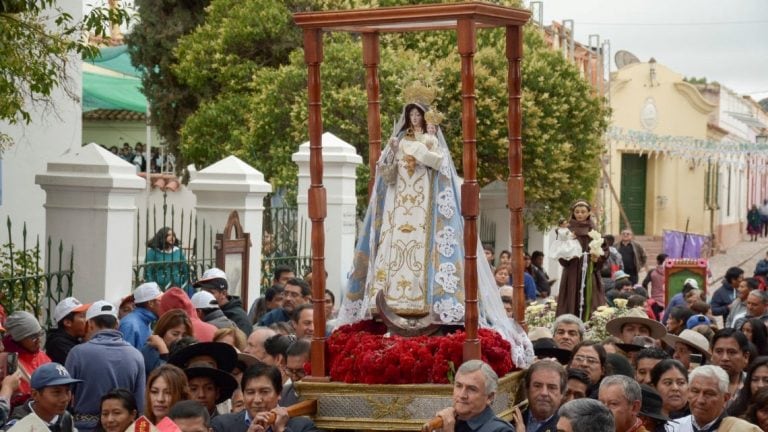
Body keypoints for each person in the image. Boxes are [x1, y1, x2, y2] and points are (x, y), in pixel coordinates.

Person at [336, 91, 532, 368]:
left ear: (425, 117)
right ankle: (390, 300)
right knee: (395, 254)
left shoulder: (430, 142)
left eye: (418, 115)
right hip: (398, 208)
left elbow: (440, 166)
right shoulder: (400, 141)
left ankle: (427, 302)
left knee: (422, 254)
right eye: (411, 115)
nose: (414, 119)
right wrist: (390, 154)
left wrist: (421, 150)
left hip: (424, 212)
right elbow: (388, 177)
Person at [67, 300, 146, 432]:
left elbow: (66, 395)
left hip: (84, 428)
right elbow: (139, 404)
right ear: (117, 324)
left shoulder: (78, 353)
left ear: (90, 324)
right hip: (122, 427)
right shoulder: (136, 355)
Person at [210, 363, 318, 432]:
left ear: (279, 393)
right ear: (243, 394)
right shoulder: (222, 426)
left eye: (264, 392)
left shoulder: (303, 427)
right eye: (250, 392)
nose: (257, 400)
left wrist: (281, 430)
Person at [555, 200, 608, 321]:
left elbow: (603, 248)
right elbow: (560, 248)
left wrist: (597, 257)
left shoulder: (594, 230)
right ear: (573, 213)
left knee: (590, 297)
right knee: (571, 295)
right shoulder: (567, 230)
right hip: (573, 269)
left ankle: (590, 326)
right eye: (577, 212)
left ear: (588, 213)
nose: (580, 214)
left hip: (589, 268)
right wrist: (567, 255)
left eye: (583, 212)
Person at [668, 365, 761, 432]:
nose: (700, 400)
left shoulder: (743, 430)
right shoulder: (672, 427)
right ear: (688, 393)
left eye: (709, 394)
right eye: (695, 391)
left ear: (725, 398)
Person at [432, 360, 515, 432]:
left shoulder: (501, 430)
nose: (462, 395)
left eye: (472, 389)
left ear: (489, 397)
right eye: (459, 386)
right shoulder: (448, 422)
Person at [1, 362, 80, 431]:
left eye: (67, 391)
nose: (65, 398)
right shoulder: (20, 424)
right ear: (35, 394)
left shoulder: (65, 417)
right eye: (57, 392)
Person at [2, 310, 51, 403]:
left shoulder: (40, 355)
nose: (39, 340)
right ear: (18, 338)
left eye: (40, 334)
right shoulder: (8, 361)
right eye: (33, 337)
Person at [195, 268, 253, 336]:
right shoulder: (202, 311)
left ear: (223, 294)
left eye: (210, 292)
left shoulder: (240, 319)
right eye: (202, 291)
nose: (205, 296)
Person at [140, 309, 194, 376]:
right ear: (162, 332)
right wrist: (164, 352)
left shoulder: (188, 350)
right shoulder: (150, 350)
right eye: (175, 334)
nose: (180, 339)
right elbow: (165, 378)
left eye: (184, 335)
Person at [522, 360, 565, 432]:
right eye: (537, 386)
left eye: (552, 387)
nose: (544, 393)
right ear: (527, 389)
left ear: (562, 393)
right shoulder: (510, 421)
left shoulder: (569, 427)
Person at [144, 227, 191, 294]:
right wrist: (152, 289)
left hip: (178, 287)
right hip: (159, 289)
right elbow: (148, 271)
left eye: (173, 235)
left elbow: (185, 269)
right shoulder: (152, 252)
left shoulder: (178, 251)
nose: (172, 237)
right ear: (162, 237)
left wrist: (184, 284)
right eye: (169, 235)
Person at [45, 297, 90, 365]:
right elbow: (82, 367)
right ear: (67, 323)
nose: (87, 320)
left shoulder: (74, 340)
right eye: (82, 316)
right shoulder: (58, 344)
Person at [121, 282, 163, 349]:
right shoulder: (129, 324)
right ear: (151, 303)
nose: (163, 304)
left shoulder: (145, 321)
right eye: (161, 300)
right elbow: (126, 357)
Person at [710, 328, 750, 397]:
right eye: (719, 351)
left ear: (745, 357)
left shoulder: (754, 385)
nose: (724, 358)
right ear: (711, 354)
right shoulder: (698, 383)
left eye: (732, 352)